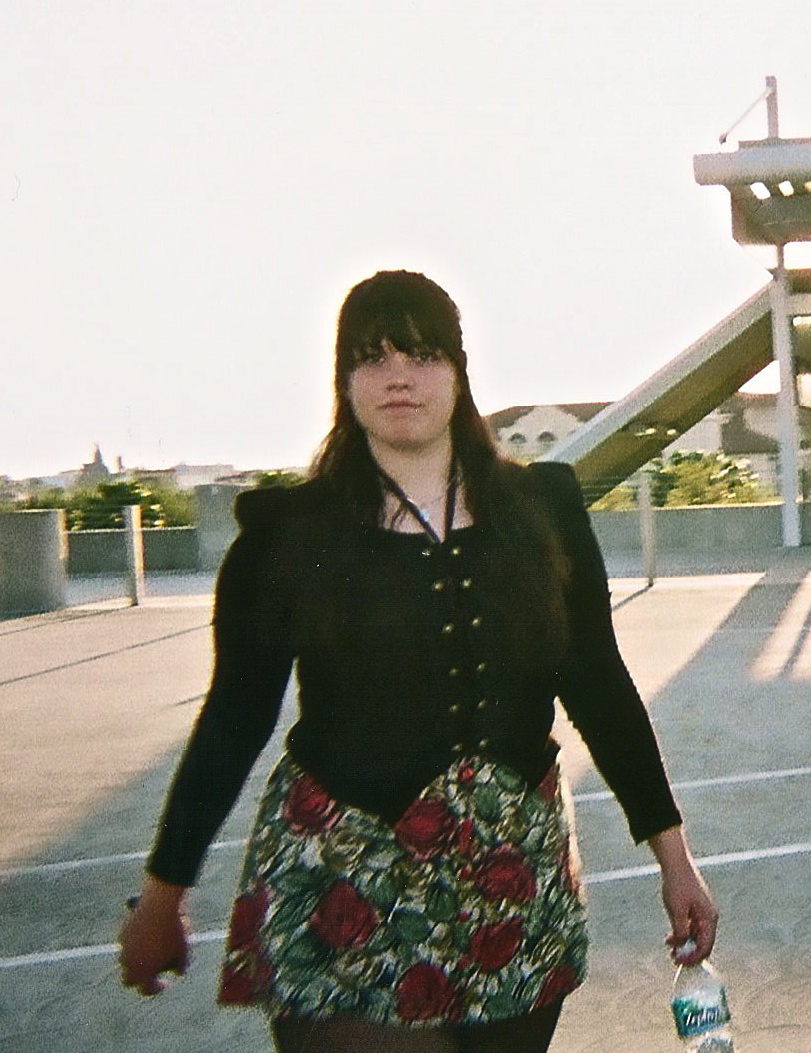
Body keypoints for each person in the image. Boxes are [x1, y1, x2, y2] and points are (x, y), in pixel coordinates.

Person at [118, 270, 718, 1052]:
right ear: (344, 381)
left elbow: (599, 687)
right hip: (343, 864)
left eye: (423, 353)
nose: (399, 375)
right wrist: (164, 893)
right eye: (372, 357)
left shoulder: (542, 513)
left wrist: (677, 861)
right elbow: (234, 718)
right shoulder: (288, 536)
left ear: (460, 373)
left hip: (514, 876)